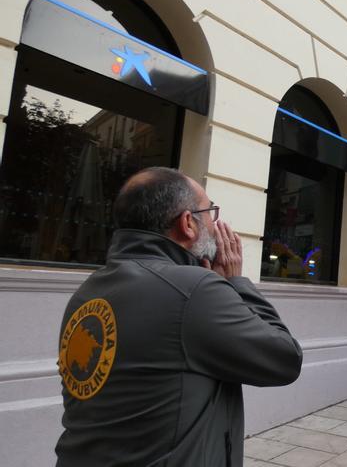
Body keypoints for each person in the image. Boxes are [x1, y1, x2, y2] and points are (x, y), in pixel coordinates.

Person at [55, 167, 303, 466]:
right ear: (188, 223)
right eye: (210, 212)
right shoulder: (194, 290)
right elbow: (284, 360)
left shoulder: (88, 292)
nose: (216, 224)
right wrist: (237, 282)